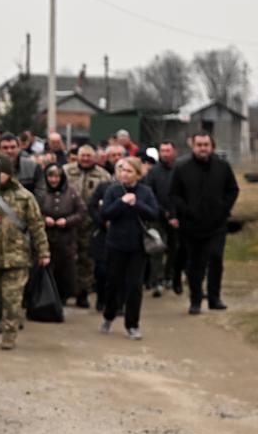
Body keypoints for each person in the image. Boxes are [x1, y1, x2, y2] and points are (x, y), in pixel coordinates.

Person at [0, 156, 50, 350]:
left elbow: (37, 226)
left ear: (9, 174)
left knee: (12, 301)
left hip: (17, 258)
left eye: (1, 173)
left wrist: (44, 252)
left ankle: (9, 337)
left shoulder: (25, 196)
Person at [170, 131, 239, 315]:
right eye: (199, 145)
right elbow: (174, 194)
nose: (203, 148)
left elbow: (233, 189)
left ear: (212, 146)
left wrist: (223, 208)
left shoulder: (222, 166)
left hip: (216, 224)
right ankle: (196, 300)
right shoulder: (181, 167)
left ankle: (214, 298)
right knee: (195, 264)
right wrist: (185, 211)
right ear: (193, 146)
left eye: (206, 145)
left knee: (216, 258)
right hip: (191, 226)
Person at [99, 157, 159, 339]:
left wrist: (137, 203)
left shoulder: (145, 192)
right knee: (113, 284)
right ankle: (109, 316)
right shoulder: (113, 190)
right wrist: (121, 202)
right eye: (122, 170)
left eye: (129, 171)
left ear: (138, 175)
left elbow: (154, 214)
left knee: (134, 287)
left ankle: (132, 325)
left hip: (138, 247)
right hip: (116, 244)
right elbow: (105, 214)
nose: (124, 174)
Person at [64, 144, 113, 308]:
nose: (85, 159)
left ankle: (83, 293)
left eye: (88, 156)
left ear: (95, 157)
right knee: (67, 258)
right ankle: (65, 291)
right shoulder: (66, 171)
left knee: (87, 259)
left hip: (90, 224)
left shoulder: (103, 176)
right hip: (68, 222)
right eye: (82, 155)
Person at [40, 163, 87, 302]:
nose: (53, 180)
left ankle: (64, 296)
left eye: (56, 177)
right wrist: (44, 219)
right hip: (45, 237)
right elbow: (33, 212)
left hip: (66, 238)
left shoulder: (71, 192)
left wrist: (67, 221)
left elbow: (82, 212)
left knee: (66, 270)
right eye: (50, 176)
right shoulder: (41, 192)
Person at [142, 140, 183, 296]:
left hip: (178, 217)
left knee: (175, 249)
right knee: (157, 249)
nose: (165, 154)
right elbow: (149, 194)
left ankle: (170, 276)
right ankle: (156, 280)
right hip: (157, 216)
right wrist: (163, 212)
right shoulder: (153, 172)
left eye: (168, 151)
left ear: (174, 152)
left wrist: (175, 214)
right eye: (162, 151)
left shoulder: (180, 170)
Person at [0, 132, 45, 201]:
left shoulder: (33, 167)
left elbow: (41, 192)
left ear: (19, 148)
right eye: (5, 148)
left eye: (13, 147)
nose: (9, 151)